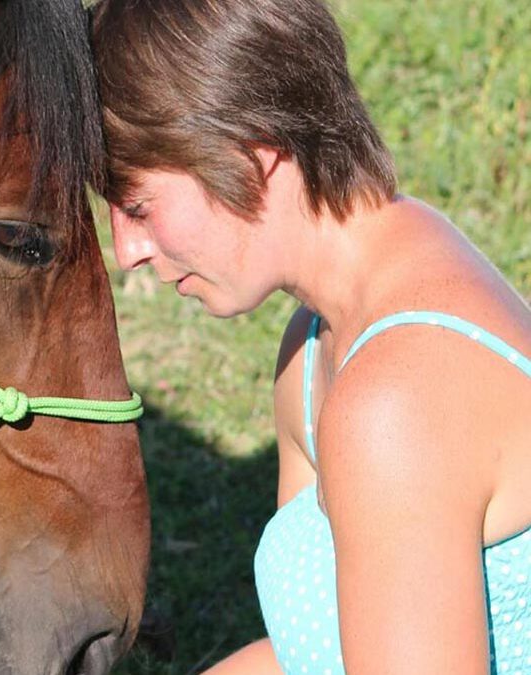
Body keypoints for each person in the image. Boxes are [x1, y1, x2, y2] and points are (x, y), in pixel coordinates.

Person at [90, 0, 531, 673]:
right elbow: (312, 653)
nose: (128, 251)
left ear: (254, 150)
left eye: (139, 206)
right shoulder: (316, 344)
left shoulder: (395, 402)